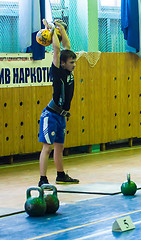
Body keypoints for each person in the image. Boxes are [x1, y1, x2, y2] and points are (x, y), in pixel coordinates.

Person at [38, 19, 79, 187]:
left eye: (74, 62)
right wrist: (53, 30)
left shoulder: (68, 69)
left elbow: (66, 46)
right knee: (47, 147)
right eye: (71, 63)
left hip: (61, 116)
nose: (74, 65)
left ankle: (61, 175)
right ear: (63, 63)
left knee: (59, 147)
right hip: (51, 115)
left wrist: (61, 27)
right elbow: (56, 50)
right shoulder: (57, 71)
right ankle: (42, 180)